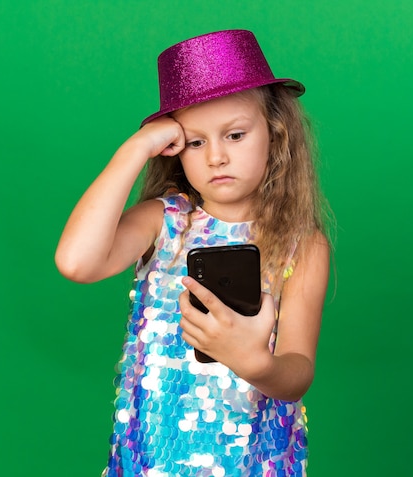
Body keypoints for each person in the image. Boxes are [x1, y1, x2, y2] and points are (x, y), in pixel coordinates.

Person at [55, 29, 331, 477]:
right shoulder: (163, 222)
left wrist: (254, 361)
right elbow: (76, 262)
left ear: (276, 134)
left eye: (236, 135)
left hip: (251, 459)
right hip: (153, 455)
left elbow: (298, 372)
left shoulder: (303, 242)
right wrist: (136, 148)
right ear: (176, 150)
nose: (216, 157)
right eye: (196, 142)